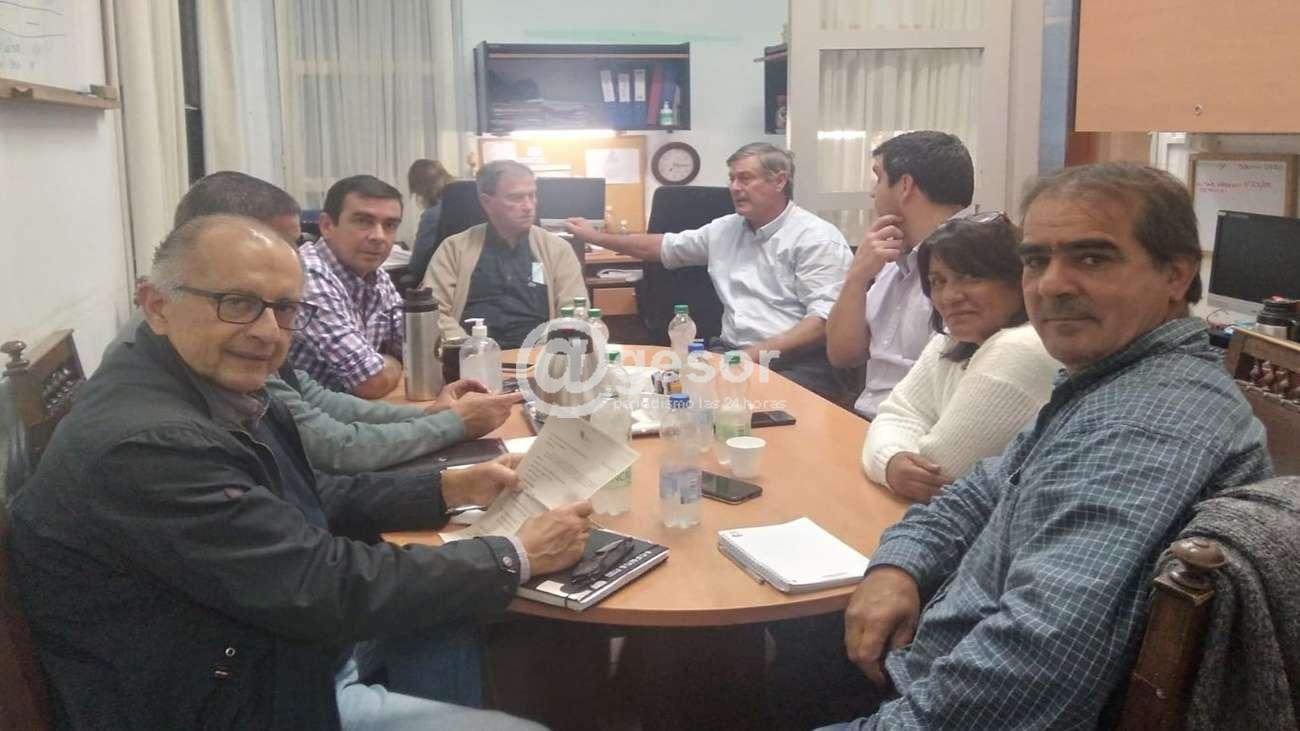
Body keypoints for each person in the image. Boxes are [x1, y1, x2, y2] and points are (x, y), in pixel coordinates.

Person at [10, 214, 591, 728]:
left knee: (448, 617)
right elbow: (324, 585)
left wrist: (444, 486)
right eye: (237, 303)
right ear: (156, 304)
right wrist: (514, 554)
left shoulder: (200, 380)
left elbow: (306, 498)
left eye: (285, 309)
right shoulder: (152, 446)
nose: (267, 331)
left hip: (263, 644)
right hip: (236, 696)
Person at [826, 163, 1271, 729]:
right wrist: (899, 566)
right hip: (935, 656)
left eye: (1092, 258)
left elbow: (1034, 662)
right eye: (1036, 261)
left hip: (948, 700)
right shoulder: (1103, 382)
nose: (1051, 285)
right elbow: (976, 493)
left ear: (1176, 275)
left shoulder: (1150, 421)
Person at [106, 171, 520, 473]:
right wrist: (451, 423)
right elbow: (340, 432)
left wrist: (432, 415)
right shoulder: (156, 436)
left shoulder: (245, 322)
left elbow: (315, 397)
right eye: (279, 246)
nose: (295, 260)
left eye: (293, 244)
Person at [564, 142, 852, 401]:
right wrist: (597, 237)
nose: (734, 188)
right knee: (657, 398)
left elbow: (823, 321)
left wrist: (750, 356)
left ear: (779, 181)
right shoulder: (726, 229)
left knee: (747, 413)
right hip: (730, 352)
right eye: (732, 178)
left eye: (745, 178)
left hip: (797, 363)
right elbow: (662, 247)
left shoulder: (816, 238)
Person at [862, 213, 1059, 502]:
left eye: (970, 277)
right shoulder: (953, 340)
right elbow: (898, 413)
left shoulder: (1023, 347)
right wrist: (890, 461)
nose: (949, 296)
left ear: (1018, 279)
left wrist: (889, 459)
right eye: (938, 281)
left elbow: (940, 470)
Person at [826, 131, 975, 419]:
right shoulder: (892, 259)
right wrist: (857, 277)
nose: (873, 193)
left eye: (878, 177)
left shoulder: (969, 266)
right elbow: (843, 354)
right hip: (867, 420)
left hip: (912, 429)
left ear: (905, 185)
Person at [424, 160, 587, 349]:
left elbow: (575, 313)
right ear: (487, 202)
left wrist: (543, 351)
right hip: (472, 357)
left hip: (538, 356)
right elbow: (434, 313)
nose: (528, 206)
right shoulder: (454, 249)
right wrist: (469, 350)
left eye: (532, 195)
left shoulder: (557, 250)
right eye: (516, 197)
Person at [290, 175, 406, 398]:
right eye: (363, 221)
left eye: (390, 225)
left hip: (351, 408)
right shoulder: (307, 274)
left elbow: (420, 351)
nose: (379, 237)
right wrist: (393, 361)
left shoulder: (376, 275)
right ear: (327, 226)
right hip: (305, 414)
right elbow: (370, 382)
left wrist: (391, 361)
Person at [408, 158, 455, 280]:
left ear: (422, 189)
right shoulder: (471, 208)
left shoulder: (432, 215)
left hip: (437, 281)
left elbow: (417, 264)